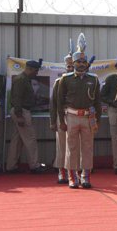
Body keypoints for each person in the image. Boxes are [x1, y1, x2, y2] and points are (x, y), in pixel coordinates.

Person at [58, 34, 102, 189]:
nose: (82, 64)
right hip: (71, 116)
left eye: (84, 62)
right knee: (72, 147)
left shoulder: (94, 79)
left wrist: (98, 120)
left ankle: (85, 176)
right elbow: (59, 101)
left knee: (88, 147)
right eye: (79, 62)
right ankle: (72, 177)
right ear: (73, 63)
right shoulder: (66, 79)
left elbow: (97, 101)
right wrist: (60, 121)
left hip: (88, 117)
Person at [5, 59, 45, 173]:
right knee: (30, 139)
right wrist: (19, 115)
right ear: (30, 69)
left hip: (21, 110)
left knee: (17, 140)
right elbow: (17, 98)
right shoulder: (21, 80)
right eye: (36, 71)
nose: (36, 73)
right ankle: (34, 165)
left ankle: (11, 166)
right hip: (22, 111)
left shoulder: (24, 79)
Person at [51, 49, 75, 184]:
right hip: (63, 116)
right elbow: (53, 103)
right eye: (69, 66)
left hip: (76, 116)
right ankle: (61, 171)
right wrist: (53, 121)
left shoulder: (81, 80)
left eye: (73, 66)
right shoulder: (59, 81)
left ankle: (76, 171)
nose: (71, 68)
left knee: (75, 146)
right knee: (61, 144)